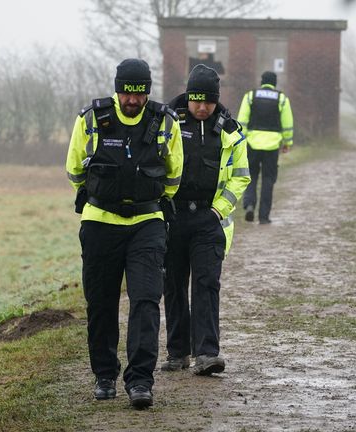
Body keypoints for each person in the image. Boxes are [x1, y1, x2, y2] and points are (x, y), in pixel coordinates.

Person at [65, 58, 183, 409]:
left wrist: (148, 201)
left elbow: (173, 176)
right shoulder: (91, 118)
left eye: (139, 93)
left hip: (147, 224)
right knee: (100, 304)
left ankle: (140, 381)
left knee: (146, 301)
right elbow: (74, 170)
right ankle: (104, 375)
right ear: (117, 89)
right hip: (100, 223)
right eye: (126, 93)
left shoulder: (165, 121)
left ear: (147, 91)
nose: (132, 101)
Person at [161, 64, 250, 376]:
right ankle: (177, 352)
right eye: (196, 100)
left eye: (208, 102)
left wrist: (217, 211)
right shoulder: (165, 122)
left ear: (217, 100)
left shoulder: (231, 132)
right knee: (172, 286)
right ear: (187, 96)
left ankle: (207, 353)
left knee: (206, 285)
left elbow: (241, 178)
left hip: (210, 222)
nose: (201, 107)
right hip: (172, 219)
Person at [237, 71, 294, 224]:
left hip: (252, 144)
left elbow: (242, 120)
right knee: (268, 179)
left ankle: (249, 205)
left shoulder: (250, 96)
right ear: (274, 83)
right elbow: (287, 124)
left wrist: (242, 139)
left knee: (251, 177)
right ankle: (263, 216)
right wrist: (287, 143)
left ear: (262, 82)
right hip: (272, 145)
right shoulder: (281, 98)